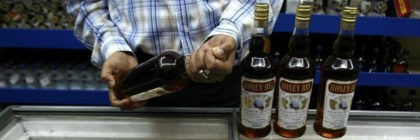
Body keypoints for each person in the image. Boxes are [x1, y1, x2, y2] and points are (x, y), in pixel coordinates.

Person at [66, 0, 282, 109]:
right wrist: (114, 47)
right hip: (145, 79)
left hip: (229, 74)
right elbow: (85, 6)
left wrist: (230, 31)